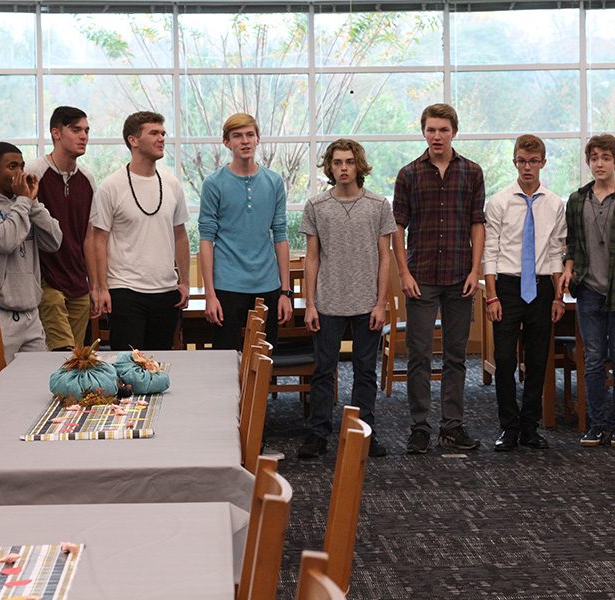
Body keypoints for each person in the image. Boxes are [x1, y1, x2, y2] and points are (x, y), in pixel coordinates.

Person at [393, 103, 485, 454]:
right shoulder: (409, 174)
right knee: (418, 355)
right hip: (421, 277)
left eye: (443, 130)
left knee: (455, 356)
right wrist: (403, 272)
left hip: (460, 275)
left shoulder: (472, 172)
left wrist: (476, 271)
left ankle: (452, 426)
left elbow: (478, 224)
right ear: (423, 132)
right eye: (431, 130)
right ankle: (420, 427)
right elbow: (397, 228)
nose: (436, 136)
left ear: (454, 133)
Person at [297, 139, 396, 459]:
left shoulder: (379, 205)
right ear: (330, 167)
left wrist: (381, 303)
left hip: (367, 302)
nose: (343, 168)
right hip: (327, 303)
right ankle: (318, 434)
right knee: (324, 371)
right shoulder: (316, 206)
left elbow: (386, 257)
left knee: (365, 371)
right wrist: (310, 303)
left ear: (359, 165)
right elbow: (311, 258)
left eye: (349, 162)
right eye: (337, 162)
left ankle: (364, 433)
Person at [558, 134, 615, 448]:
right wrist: (569, 268)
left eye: (606, 158)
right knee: (594, 358)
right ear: (589, 162)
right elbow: (570, 244)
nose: (599, 163)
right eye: (594, 157)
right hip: (588, 290)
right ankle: (596, 425)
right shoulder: (576, 199)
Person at [484, 134, 566, 451]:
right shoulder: (500, 201)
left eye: (533, 161)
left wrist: (559, 296)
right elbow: (489, 252)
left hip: (543, 286)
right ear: (514, 162)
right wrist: (491, 296)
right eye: (522, 161)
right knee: (504, 360)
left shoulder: (555, 203)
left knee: (536, 360)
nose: (527, 167)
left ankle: (530, 427)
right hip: (507, 285)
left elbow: (558, 252)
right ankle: (509, 427)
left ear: (543, 162)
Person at [90, 111, 189, 350]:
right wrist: (101, 288)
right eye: (154, 133)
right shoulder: (110, 187)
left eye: (163, 133)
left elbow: (180, 235)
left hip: (166, 291)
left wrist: (184, 281)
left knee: (159, 368)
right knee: (127, 370)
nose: (161, 138)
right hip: (125, 291)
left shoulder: (172, 184)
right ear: (133, 140)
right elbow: (98, 241)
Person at [198, 113, 292, 349]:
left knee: (264, 362)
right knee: (224, 364)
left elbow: (280, 235)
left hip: (267, 286)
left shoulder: (274, 181)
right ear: (227, 142)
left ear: (258, 139)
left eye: (250, 134)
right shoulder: (213, 183)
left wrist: (285, 292)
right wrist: (210, 294)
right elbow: (206, 239)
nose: (245, 141)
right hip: (227, 286)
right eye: (237, 136)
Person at [0, 142, 62, 365]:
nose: (19, 173)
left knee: (35, 387)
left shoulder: (25, 203)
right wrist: (23, 202)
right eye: (12, 166)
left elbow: (54, 241)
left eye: (21, 166)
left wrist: (32, 202)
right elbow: (6, 240)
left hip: (31, 316)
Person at [27, 106, 96, 350]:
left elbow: (88, 237)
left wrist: (94, 285)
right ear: (56, 133)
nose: (83, 136)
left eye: (86, 130)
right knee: (61, 352)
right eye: (76, 129)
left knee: (75, 358)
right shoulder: (35, 172)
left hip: (78, 282)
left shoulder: (87, 179)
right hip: (47, 281)